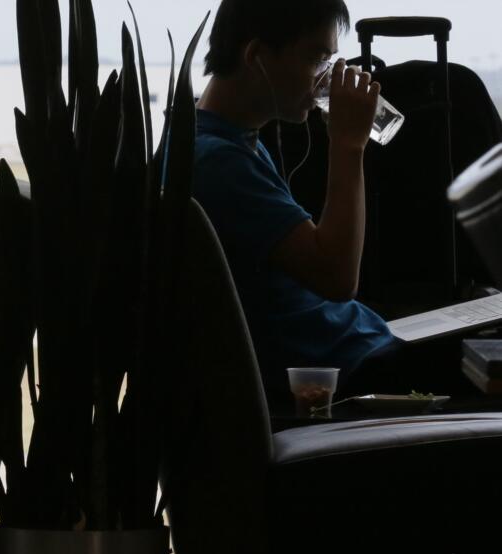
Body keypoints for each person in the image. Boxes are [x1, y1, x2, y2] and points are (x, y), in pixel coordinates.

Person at [192, 0, 465, 404]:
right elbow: (338, 278)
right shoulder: (217, 161)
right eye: (316, 59)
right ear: (256, 57)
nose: (327, 78)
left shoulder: (233, 141)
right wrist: (347, 145)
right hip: (351, 372)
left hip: (363, 345)